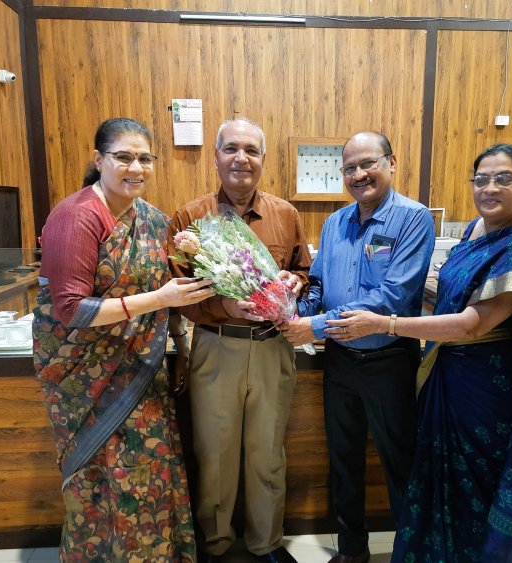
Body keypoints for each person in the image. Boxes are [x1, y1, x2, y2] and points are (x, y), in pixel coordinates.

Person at [327, 144, 512, 562]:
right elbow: (446, 295)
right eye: (482, 179)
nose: (490, 188)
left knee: (484, 488)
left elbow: (473, 322)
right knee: (448, 485)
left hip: (491, 397)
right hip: (449, 382)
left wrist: (386, 321)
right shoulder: (478, 228)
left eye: (504, 179)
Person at [34, 117, 215, 562]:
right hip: (84, 377)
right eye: (124, 157)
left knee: (148, 470)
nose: (136, 167)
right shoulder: (76, 217)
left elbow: (167, 291)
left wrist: (181, 341)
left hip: (141, 369)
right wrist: (158, 299)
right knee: (102, 476)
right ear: (99, 161)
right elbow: (70, 309)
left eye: (144, 158)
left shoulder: (151, 219)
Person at [280, 132, 435, 563]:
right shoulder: (335, 224)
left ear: (391, 161)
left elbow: (393, 296)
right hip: (341, 363)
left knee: (400, 463)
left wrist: (316, 325)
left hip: (390, 362)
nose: (359, 174)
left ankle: (411, 553)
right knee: (342, 462)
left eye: (368, 163)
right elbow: (322, 287)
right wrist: (293, 307)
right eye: (349, 167)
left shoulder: (413, 218)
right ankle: (351, 553)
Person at [167, 118, 312, 563]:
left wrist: (295, 282)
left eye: (251, 150)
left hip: (273, 347)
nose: (241, 158)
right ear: (216, 157)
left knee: (268, 452)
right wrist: (223, 308)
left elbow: (307, 273)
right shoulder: (191, 218)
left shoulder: (286, 214)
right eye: (231, 149)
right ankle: (215, 543)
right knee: (215, 452)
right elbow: (178, 294)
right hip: (216, 346)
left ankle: (266, 542)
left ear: (263, 160)